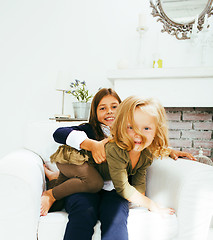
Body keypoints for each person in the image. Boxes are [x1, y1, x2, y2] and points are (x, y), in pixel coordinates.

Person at [42, 88, 195, 240]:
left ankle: (54, 176)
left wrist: (167, 151)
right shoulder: (90, 130)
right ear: (95, 112)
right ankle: (53, 187)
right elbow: (59, 133)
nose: (109, 111)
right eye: (103, 108)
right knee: (84, 210)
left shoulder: (132, 133)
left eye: (114, 107)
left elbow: (143, 142)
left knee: (115, 215)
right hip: (86, 181)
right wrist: (91, 144)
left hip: (112, 187)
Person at [105, 96, 175, 213]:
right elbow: (122, 188)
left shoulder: (146, 154)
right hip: (79, 167)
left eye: (146, 128)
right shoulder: (115, 149)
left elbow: (139, 181)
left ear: (156, 132)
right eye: (131, 127)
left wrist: (142, 206)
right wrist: (152, 205)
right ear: (121, 127)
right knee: (91, 183)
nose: (138, 134)